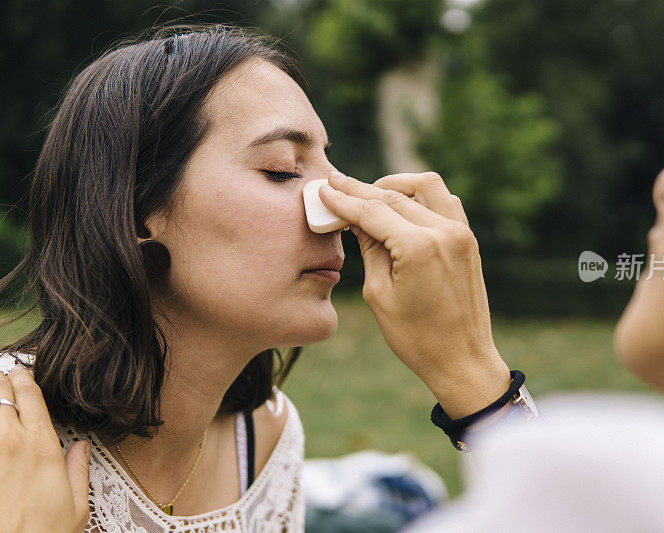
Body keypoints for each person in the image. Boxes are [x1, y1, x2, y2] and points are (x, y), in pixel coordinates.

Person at [0, 23, 512, 533]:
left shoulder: (266, 436)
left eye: (331, 167)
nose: (342, 210)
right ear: (135, 213)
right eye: (283, 169)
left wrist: (469, 369)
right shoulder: (10, 432)